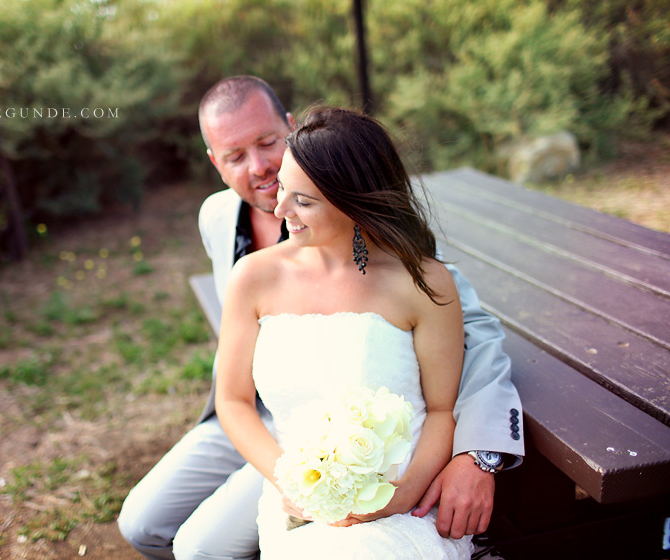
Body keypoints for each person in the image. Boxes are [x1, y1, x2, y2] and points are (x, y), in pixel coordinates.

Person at [118, 76, 524, 560]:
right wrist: (291, 475)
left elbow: (471, 342)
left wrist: (475, 455)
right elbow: (234, 395)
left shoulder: (405, 262)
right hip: (270, 414)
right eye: (235, 156)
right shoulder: (220, 220)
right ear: (215, 163)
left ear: (290, 132)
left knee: (202, 548)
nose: (262, 171)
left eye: (268, 143)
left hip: (376, 448)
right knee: (144, 525)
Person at [217, 105, 473, 558]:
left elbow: (440, 409)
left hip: (404, 509)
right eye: (282, 189)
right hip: (298, 502)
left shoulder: (425, 283)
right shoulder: (252, 278)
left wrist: (404, 493)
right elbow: (233, 401)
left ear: (354, 202)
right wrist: (292, 483)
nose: (280, 209)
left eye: (304, 200)